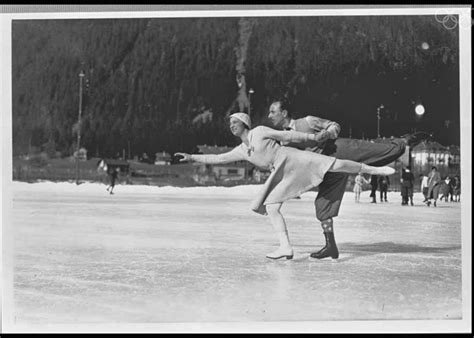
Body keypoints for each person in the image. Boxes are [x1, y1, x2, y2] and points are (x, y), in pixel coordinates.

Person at [175, 113, 395, 260]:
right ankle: (285, 247)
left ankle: (374, 170)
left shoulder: (259, 131)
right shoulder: (243, 150)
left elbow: (287, 135)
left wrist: (312, 137)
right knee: (271, 206)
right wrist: (192, 157)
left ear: (245, 124)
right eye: (230, 123)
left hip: (291, 158)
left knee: (332, 165)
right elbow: (219, 159)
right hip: (280, 174)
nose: (231, 125)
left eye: (235, 122)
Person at [267, 98, 427, 259]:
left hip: (337, 151)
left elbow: (334, 125)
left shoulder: (307, 122)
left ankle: (403, 142)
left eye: (273, 111)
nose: (269, 115)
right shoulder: (283, 140)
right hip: (327, 170)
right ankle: (331, 247)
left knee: (374, 152)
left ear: (284, 113)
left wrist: (328, 133)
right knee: (322, 208)